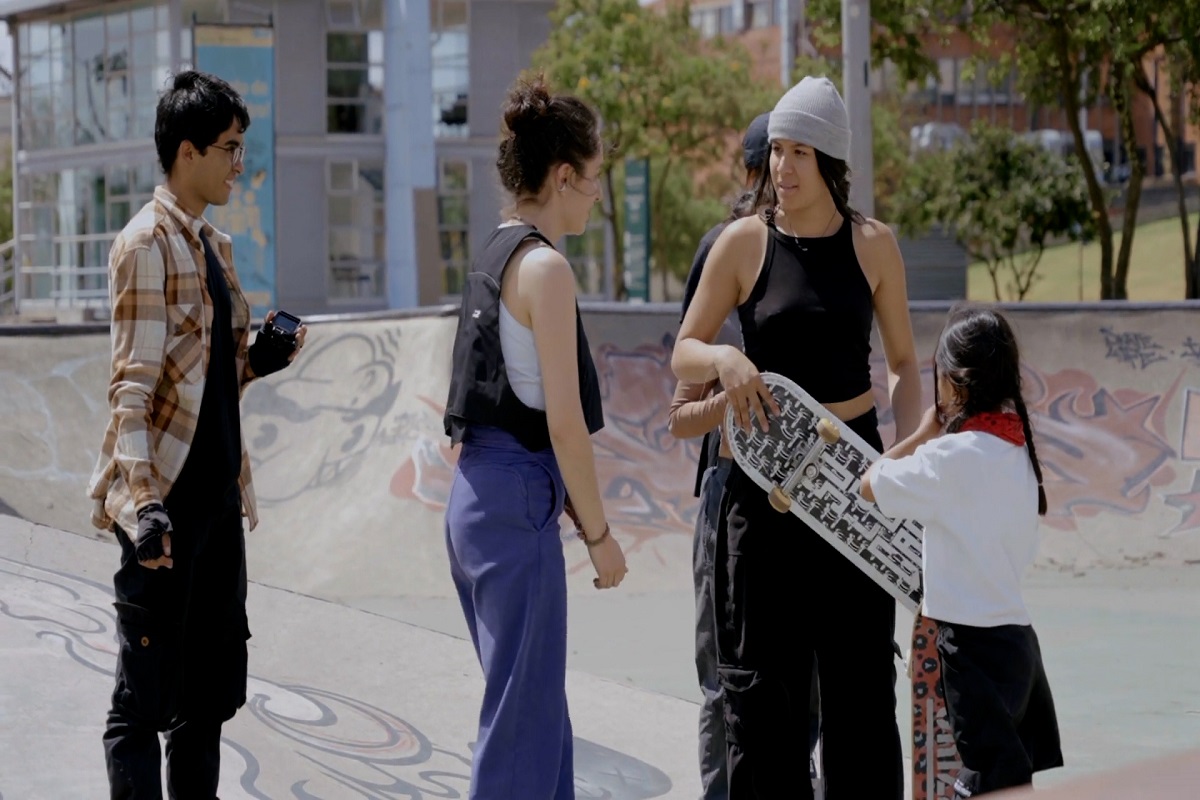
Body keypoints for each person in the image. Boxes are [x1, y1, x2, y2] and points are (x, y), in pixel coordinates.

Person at [670, 75, 923, 799]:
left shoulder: (874, 245)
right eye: (777, 150)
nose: (782, 167)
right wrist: (722, 357)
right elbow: (684, 350)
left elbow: (904, 362)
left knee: (862, 700)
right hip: (764, 498)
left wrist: (903, 459)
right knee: (763, 702)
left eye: (799, 151)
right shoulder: (743, 243)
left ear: (831, 160)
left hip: (854, 491)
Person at [87, 70, 307, 798]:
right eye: (229, 149)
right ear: (188, 152)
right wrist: (145, 505)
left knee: (205, 705)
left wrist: (257, 361)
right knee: (141, 702)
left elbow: (204, 379)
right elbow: (131, 388)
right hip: (168, 510)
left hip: (216, 503)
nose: (239, 166)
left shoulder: (213, 244)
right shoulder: (145, 244)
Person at [441, 73, 629, 799]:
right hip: (514, 502)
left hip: (481, 500)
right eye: (593, 179)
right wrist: (602, 534)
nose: (596, 195)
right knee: (523, 729)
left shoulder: (495, 249)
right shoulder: (545, 266)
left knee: (538, 723)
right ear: (562, 176)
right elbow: (563, 422)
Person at [860, 305, 1064, 798]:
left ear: (953, 384)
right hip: (1019, 647)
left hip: (969, 650)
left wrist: (923, 434)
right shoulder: (1018, 451)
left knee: (983, 783)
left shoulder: (947, 458)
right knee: (1009, 783)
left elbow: (868, 485)